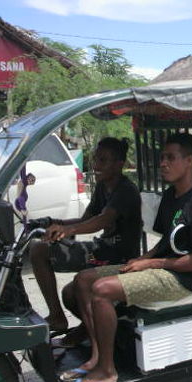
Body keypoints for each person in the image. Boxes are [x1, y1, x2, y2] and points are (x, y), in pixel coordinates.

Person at [63, 133, 192, 382]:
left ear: (190, 161)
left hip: (181, 279)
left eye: (171, 158)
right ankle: (97, 357)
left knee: (101, 290)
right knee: (83, 280)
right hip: (162, 267)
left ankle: (107, 370)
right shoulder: (171, 196)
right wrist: (145, 259)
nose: (164, 164)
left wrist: (152, 262)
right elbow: (165, 241)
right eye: (162, 158)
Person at [29, 137, 142, 335]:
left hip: (118, 258)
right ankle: (62, 319)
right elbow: (86, 219)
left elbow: (102, 221)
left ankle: (88, 331)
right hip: (103, 251)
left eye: (103, 161)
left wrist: (69, 231)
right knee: (39, 249)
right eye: (96, 160)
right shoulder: (102, 186)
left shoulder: (126, 190)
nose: (96, 165)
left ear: (119, 164)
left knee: (73, 287)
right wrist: (52, 222)